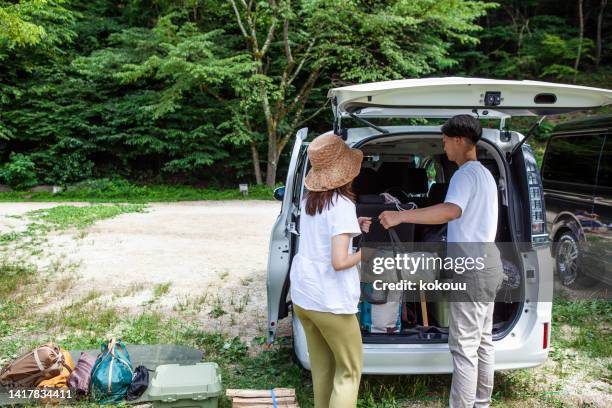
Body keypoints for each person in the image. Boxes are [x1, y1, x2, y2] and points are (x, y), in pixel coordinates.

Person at [379, 115, 503, 408]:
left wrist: (401, 215)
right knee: (483, 342)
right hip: (490, 262)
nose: (444, 148)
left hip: (472, 269)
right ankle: (482, 403)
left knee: (464, 348)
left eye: (446, 142)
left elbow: (450, 211)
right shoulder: (484, 173)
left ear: (460, 141)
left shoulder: (464, 175)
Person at [290, 133, 371, 408]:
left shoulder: (309, 202)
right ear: (346, 173)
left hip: (304, 297)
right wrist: (368, 253)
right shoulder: (342, 205)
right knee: (349, 372)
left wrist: (353, 226)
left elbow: (323, 238)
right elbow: (339, 262)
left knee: (322, 369)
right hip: (330, 301)